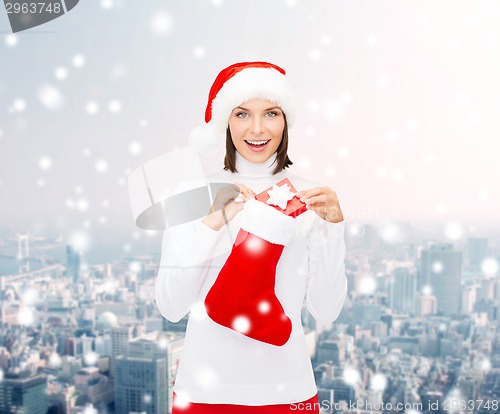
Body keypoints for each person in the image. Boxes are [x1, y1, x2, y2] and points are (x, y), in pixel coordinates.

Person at [155, 61, 347, 413]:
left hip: (288, 392)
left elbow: (327, 309)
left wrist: (333, 229)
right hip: (202, 393)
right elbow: (170, 306)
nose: (257, 128)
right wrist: (211, 225)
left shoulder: (310, 196)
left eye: (271, 113)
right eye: (242, 114)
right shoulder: (192, 193)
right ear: (224, 121)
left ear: (286, 119)